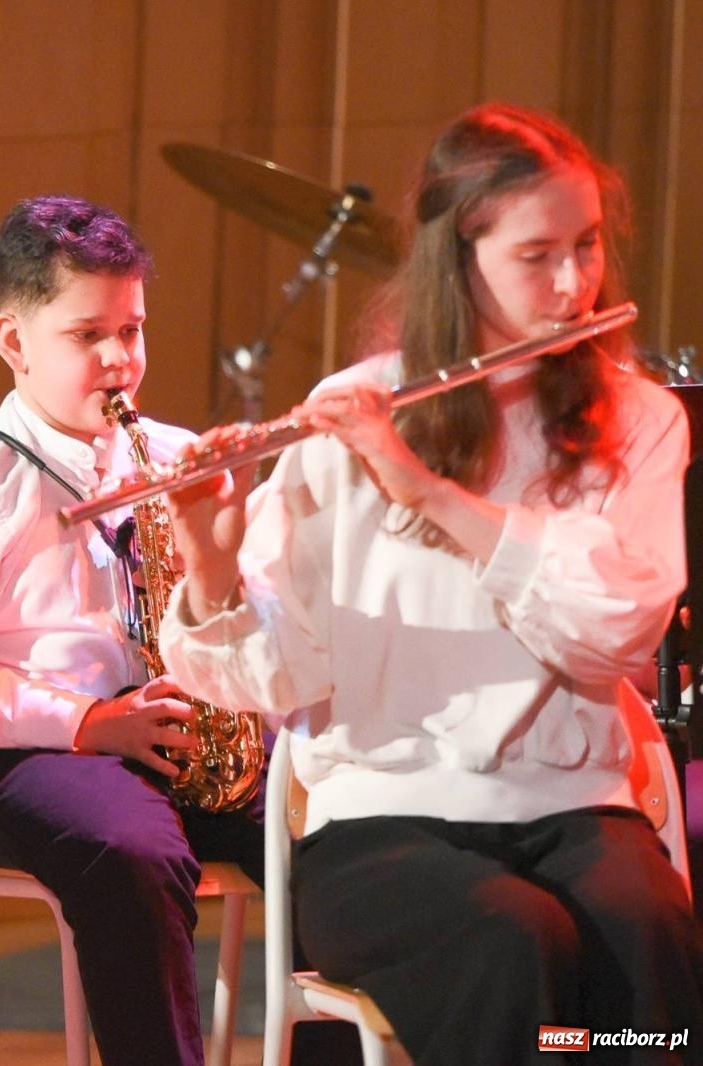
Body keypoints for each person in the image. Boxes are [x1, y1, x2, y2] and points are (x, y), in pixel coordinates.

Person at [159, 102, 703, 1064]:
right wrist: (207, 554)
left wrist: (425, 490)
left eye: (586, 248)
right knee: (512, 943)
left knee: (649, 948)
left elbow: (614, 631)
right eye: (538, 256)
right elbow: (280, 676)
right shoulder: (355, 414)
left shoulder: (641, 419)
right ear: (463, 258)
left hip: (578, 807)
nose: (575, 284)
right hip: (382, 823)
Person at [0, 194, 263, 1066]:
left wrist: (214, 543)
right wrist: (87, 724)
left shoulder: (175, 457)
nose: (120, 361)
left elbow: (249, 620)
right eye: (87, 337)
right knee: (131, 850)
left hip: (169, 733)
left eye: (132, 331)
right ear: (13, 342)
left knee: (328, 818)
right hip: (17, 759)